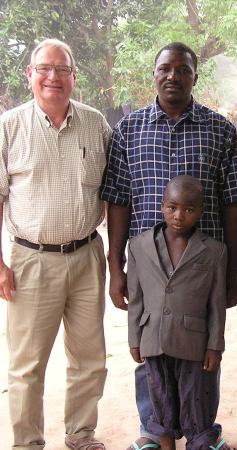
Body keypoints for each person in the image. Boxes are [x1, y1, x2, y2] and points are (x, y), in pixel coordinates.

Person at [100, 42, 237, 450]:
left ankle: (201, 432)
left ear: (195, 76)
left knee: (202, 346)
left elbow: (232, 202)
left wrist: (231, 271)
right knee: (151, 342)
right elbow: (118, 200)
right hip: (148, 268)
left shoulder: (220, 130)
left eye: (183, 70)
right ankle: (154, 429)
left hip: (202, 266)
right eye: (165, 68)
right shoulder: (129, 130)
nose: (173, 76)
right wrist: (115, 267)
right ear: (154, 73)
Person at [0, 39, 110, 450]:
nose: (53, 77)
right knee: (27, 364)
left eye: (62, 69)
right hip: (31, 261)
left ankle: (80, 434)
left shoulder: (96, 124)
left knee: (89, 358)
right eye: (44, 68)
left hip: (87, 256)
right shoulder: (9, 127)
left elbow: (115, 191)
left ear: (74, 77)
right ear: (29, 74)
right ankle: (28, 442)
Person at [127, 175, 230, 450]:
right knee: (161, 400)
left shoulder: (215, 251)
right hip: (153, 337)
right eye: (172, 207)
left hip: (193, 342)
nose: (179, 216)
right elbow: (136, 299)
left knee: (194, 401)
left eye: (189, 209)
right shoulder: (139, 245)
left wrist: (214, 346)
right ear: (162, 206)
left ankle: (198, 443)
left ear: (201, 211)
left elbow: (216, 305)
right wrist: (134, 339)